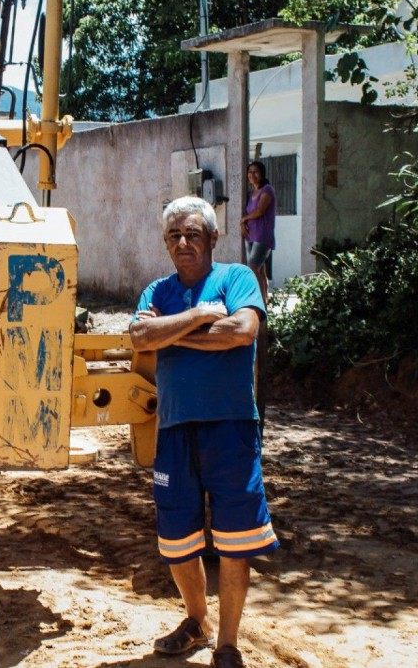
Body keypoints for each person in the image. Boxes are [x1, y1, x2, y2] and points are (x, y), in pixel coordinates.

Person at [129, 196, 279, 668]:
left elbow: (241, 330)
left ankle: (227, 645)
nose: (183, 243)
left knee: (236, 537)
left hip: (231, 426)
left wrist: (169, 334)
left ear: (213, 238)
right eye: (174, 236)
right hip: (173, 427)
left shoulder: (236, 278)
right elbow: (139, 338)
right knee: (177, 538)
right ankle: (196, 621)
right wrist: (197, 317)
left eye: (193, 233)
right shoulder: (156, 290)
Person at [239, 161, 276, 304]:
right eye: (250, 172)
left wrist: (244, 219)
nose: (252, 175)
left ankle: (259, 302)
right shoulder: (250, 193)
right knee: (260, 271)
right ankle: (265, 302)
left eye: (255, 172)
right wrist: (244, 224)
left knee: (253, 268)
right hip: (250, 236)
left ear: (262, 174)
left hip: (263, 236)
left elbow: (260, 211)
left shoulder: (267, 190)